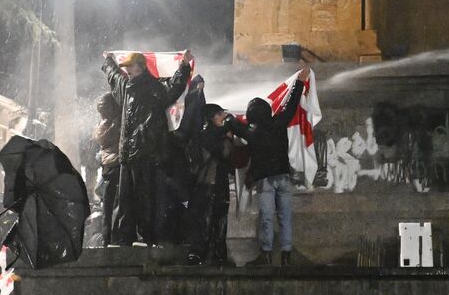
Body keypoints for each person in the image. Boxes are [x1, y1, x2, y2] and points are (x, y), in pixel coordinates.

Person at [101, 50, 194, 247]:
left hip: (147, 155)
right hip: (128, 156)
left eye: (130, 67)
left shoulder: (154, 89)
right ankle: (125, 238)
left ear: (141, 67)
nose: (126, 71)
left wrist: (184, 67)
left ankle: (145, 236)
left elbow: (174, 87)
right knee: (125, 199)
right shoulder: (126, 86)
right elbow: (113, 76)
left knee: (145, 198)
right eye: (125, 67)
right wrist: (108, 61)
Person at [227, 66, 308, 265]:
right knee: (285, 217)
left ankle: (267, 253)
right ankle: (286, 255)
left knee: (266, 217)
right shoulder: (279, 123)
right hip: (283, 175)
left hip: (264, 179)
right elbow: (291, 105)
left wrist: (227, 117)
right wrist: (299, 82)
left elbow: (233, 123)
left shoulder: (251, 131)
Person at [186, 104, 238, 266]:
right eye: (220, 114)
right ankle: (212, 254)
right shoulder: (214, 136)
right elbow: (224, 154)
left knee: (204, 220)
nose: (223, 117)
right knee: (216, 220)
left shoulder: (200, 136)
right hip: (213, 183)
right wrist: (228, 138)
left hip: (203, 183)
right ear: (213, 116)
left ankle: (200, 253)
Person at [92, 93, 121, 246]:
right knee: (116, 205)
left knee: (108, 207)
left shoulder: (101, 125)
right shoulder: (114, 125)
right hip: (116, 166)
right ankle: (112, 236)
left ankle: (106, 238)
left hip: (107, 168)